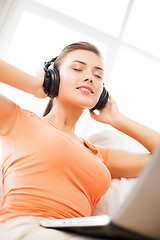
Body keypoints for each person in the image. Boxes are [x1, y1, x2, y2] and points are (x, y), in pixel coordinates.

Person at [0, 41, 159, 240]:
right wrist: (32, 84)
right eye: (77, 68)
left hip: (75, 232)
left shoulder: (97, 154)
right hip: (25, 226)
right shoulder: (18, 120)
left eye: (98, 75)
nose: (89, 77)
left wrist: (117, 119)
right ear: (53, 77)